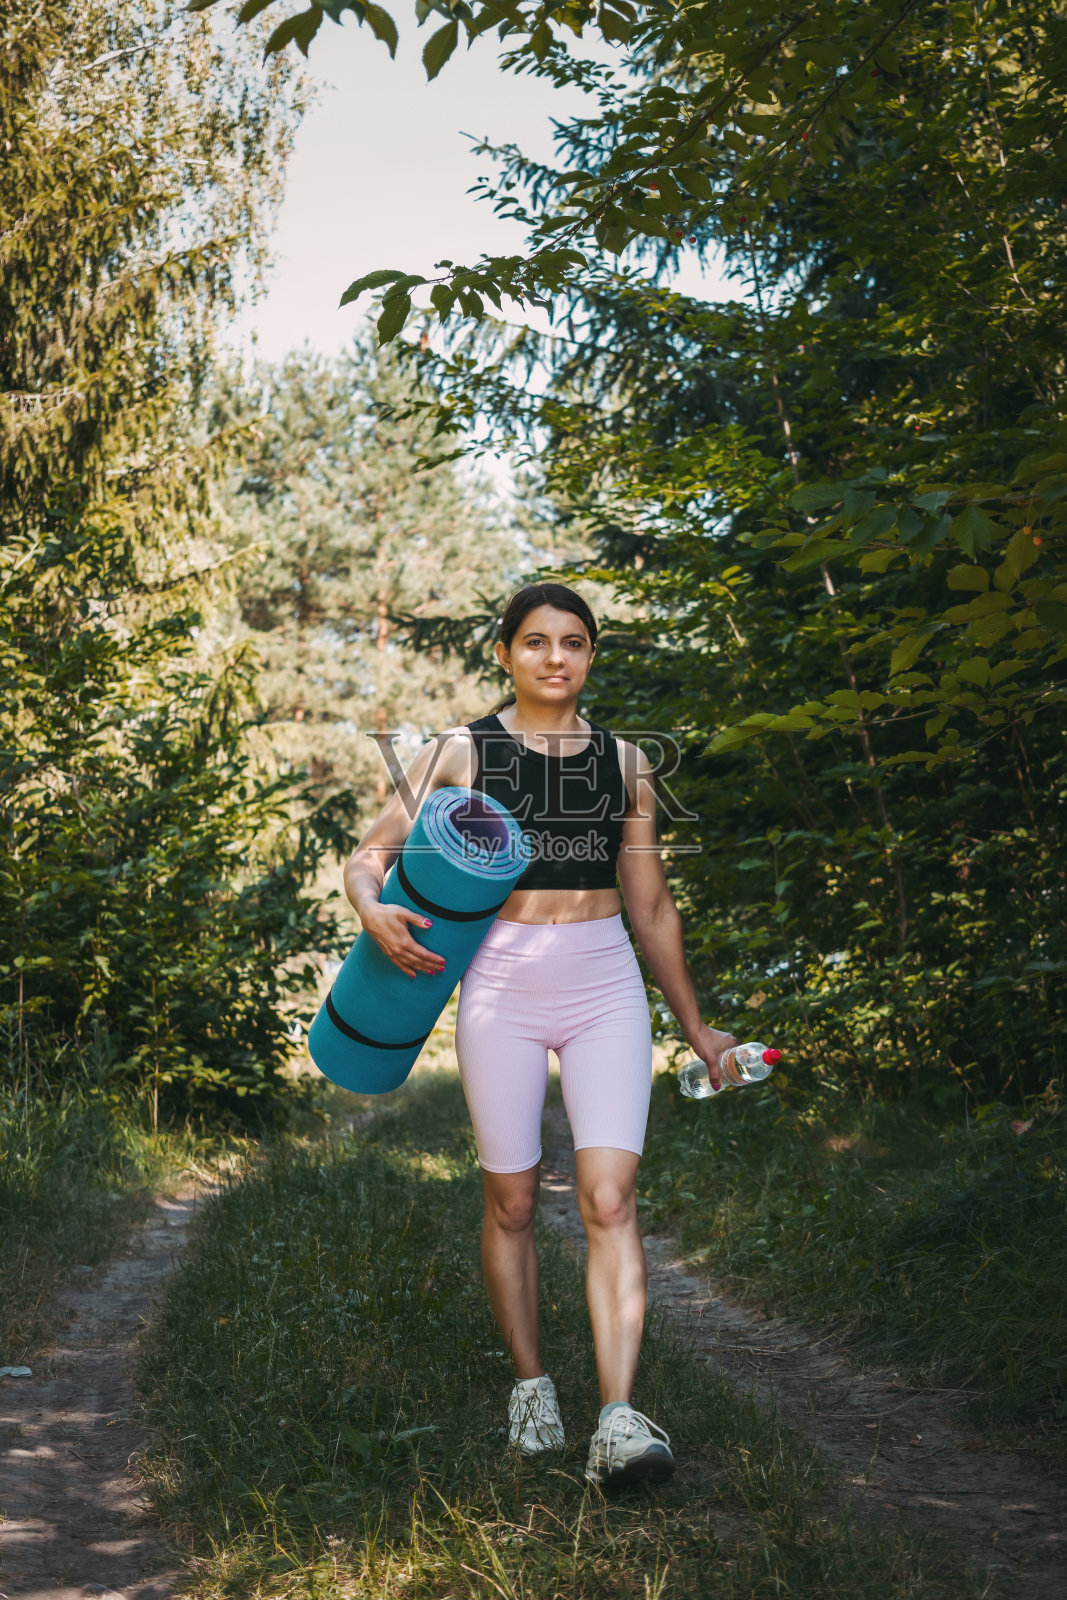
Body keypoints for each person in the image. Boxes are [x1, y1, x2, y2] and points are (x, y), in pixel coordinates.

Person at [343, 582, 736, 1488]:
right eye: (534, 642)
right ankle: (530, 1387)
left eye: (573, 642)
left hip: (602, 978)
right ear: (506, 655)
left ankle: (618, 1420)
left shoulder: (628, 763)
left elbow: (653, 908)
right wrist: (371, 909)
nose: (554, 657)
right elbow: (369, 856)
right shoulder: (458, 750)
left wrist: (695, 1027)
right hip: (499, 982)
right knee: (513, 1203)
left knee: (608, 1199)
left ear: (591, 656)